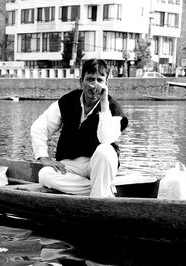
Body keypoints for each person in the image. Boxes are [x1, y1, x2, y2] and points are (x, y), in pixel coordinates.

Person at [30, 58, 128, 197]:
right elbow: (39, 127)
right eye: (90, 79)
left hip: (99, 164)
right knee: (45, 174)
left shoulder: (112, 107)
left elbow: (105, 138)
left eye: (100, 80)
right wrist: (43, 157)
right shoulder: (68, 101)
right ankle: (101, 192)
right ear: (81, 81)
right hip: (71, 166)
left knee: (105, 150)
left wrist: (104, 102)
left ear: (106, 83)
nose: (94, 85)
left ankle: (99, 195)